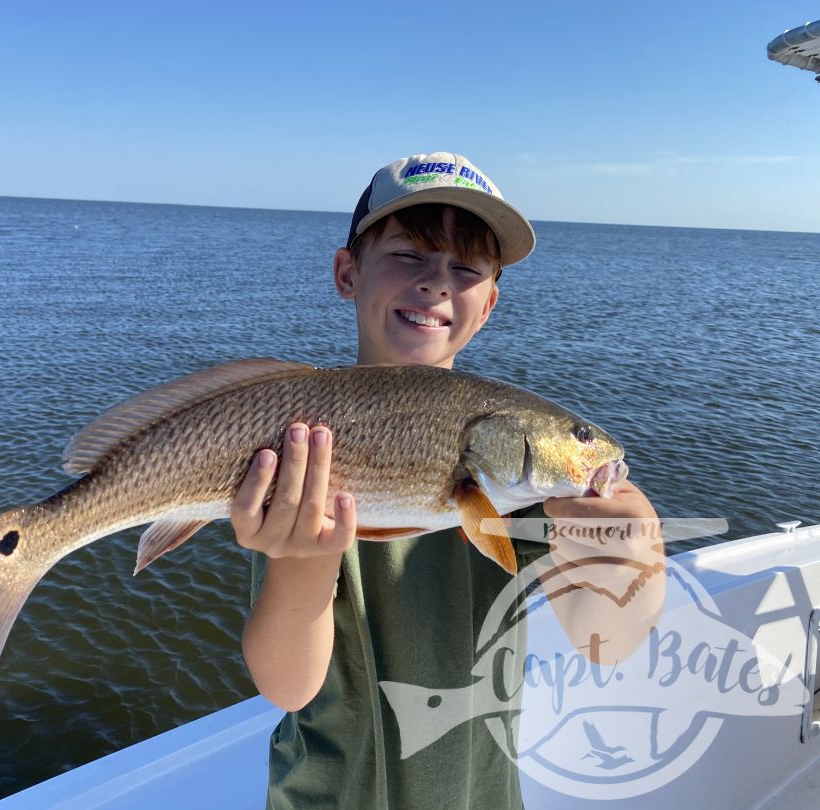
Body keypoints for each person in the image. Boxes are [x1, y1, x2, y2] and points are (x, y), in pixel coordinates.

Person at [234, 152, 664, 809]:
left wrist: (632, 551)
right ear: (348, 272)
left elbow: (606, 641)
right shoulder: (301, 439)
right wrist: (301, 563)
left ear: (488, 303)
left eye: (465, 269)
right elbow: (289, 688)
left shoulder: (523, 477)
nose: (437, 284)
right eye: (409, 255)